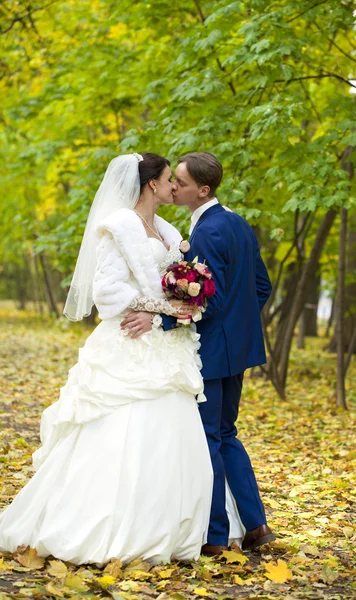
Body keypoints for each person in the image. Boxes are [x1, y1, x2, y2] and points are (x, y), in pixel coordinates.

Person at [0, 152, 233, 565]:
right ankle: (108, 528)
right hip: (129, 345)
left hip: (168, 350)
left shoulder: (166, 229)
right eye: (167, 179)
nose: (173, 187)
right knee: (122, 432)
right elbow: (106, 294)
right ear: (151, 185)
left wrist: (178, 304)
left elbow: (176, 284)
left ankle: (171, 528)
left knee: (172, 438)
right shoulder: (118, 227)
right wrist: (158, 306)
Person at [122, 152, 275, 556]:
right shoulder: (238, 223)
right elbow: (262, 287)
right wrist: (239, 328)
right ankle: (257, 525)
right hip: (239, 349)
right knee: (227, 435)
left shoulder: (207, 232)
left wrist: (163, 322)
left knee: (207, 439)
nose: (174, 187)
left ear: (201, 190)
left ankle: (216, 536)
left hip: (212, 350)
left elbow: (211, 298)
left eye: (182, 182)